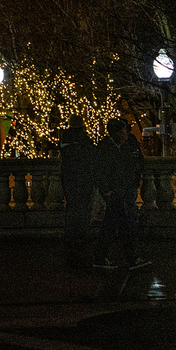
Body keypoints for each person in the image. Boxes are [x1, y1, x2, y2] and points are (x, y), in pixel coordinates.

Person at [92, 118, 151, 271]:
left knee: (110, 226)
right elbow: (101, 171)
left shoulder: (114, 147)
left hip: (116, 192)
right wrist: (108, 189)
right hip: (114, 193)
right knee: (122, 226)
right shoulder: (108, 149)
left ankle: (100, 257)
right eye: (124, 130)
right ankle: (131, 259)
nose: (126, 133)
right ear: (117, 132)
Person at [57, 112, 96, 267]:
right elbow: (90, 157)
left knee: (72, 207)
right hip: (83, 179)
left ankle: (71, 235)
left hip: (69, 178)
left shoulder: (64, 139)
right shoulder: (84, 140)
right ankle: (80, 235)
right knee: (81, 208)